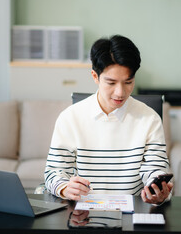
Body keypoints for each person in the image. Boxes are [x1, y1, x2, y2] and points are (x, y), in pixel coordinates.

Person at [44, 35, 173, 205]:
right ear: (95, 77)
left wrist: (158, 191)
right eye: (111, 83)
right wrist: (64, 187)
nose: (120, 92)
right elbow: (54, 173)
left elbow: (156, 169)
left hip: (132, 212)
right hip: (83, 214)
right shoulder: (70, 117)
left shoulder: (149, 119)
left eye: (128, 82)